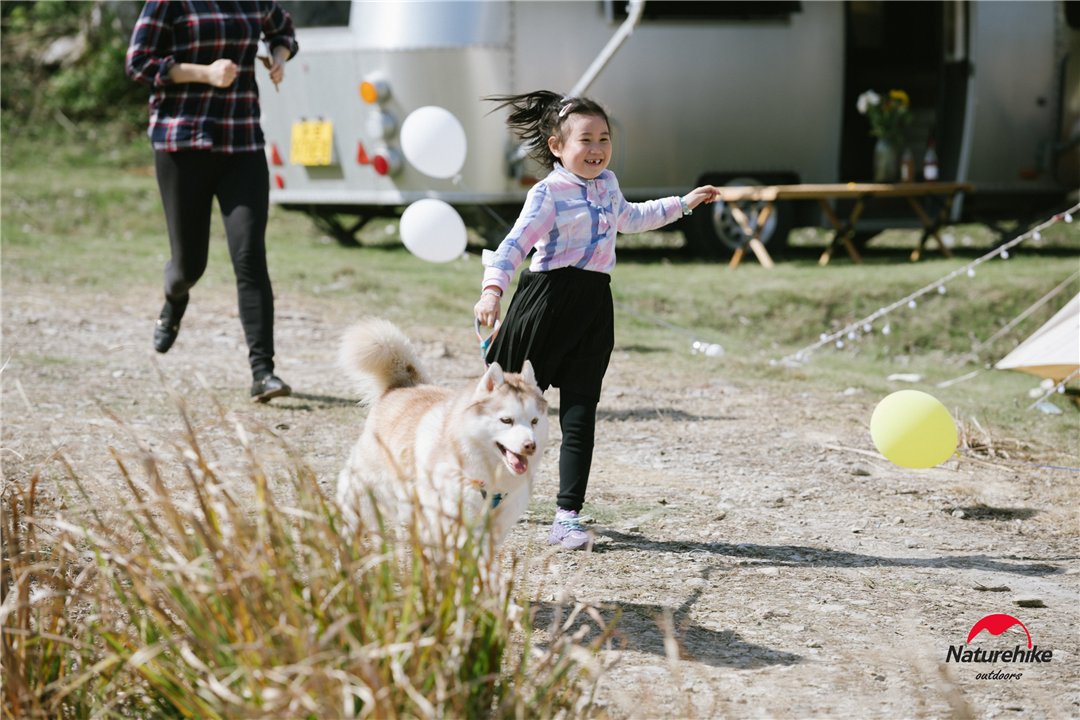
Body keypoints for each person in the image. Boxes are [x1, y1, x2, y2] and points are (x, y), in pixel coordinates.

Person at [474, 91, 720, 550]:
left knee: (581, 413)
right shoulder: (547, 193)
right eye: (585, 139)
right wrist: (492, 291)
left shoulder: (608, 184)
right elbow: (514, 245)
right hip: (543, 305)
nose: (596, 149)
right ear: (556, 147)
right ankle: (480, 492)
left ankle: (566, 516)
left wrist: (683, 204)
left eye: (604, 138)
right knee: (508, 409)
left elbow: (631, 218)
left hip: (593, 308)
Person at [126, 0, 298, 402]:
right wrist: (204, 74)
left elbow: (282, 30)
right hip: (181, 142)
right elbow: (137, 62)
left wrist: (277, 57)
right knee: (189, 266)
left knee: (250, 255)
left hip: (241, 141)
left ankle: (264, 372)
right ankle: (175, 296)